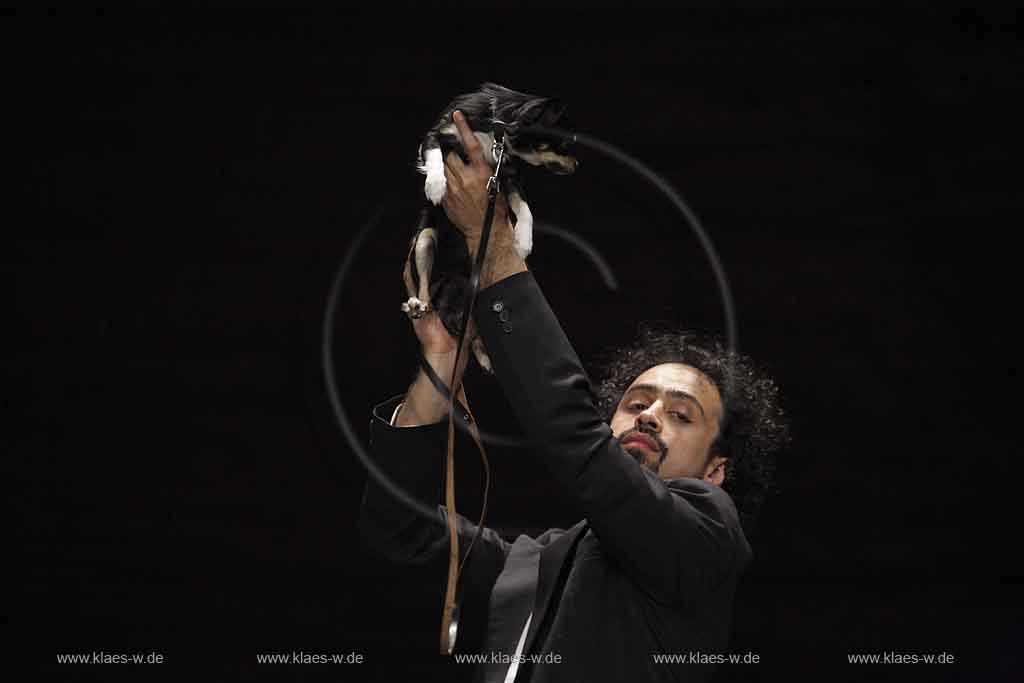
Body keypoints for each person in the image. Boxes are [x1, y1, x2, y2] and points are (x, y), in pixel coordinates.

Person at [359, 110, 789, 682]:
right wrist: (441, 362)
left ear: (715, 470)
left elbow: (578, 442)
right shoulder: (532, 564)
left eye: (681, 415)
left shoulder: (709, 537)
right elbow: (398, 526)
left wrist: (493, 248)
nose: (652, 415)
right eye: (636, 403)